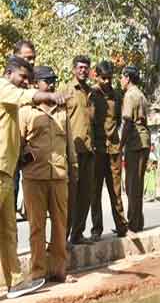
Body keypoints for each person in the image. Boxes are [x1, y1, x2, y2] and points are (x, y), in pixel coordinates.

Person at [1, 56, 66, 299]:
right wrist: (50, 96)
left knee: (8, 231)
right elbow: (25, 96)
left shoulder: (12, 98)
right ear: (9, 73)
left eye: (29, 78)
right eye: (23, 77)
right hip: (2, 170)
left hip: (7, 171)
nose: (25, 82)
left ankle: (15, 283)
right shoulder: (4, 88)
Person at [19, 66, 76, 284]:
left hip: (59, 176)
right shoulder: (26, 111)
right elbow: (18, 143)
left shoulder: (62, 111)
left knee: (61, 225)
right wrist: (25, 158)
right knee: (37, 227)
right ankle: (38, 272)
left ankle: (59, 270)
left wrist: (74, 168)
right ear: (36, 84)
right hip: (34, 177)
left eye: (53, 80)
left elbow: (69, 143)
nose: (51, 84)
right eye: (46, 81)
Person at [61, 55, 96, 245]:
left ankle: (78, 234)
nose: (83, 70)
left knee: (85, 195)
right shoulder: (66, 90)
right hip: (72, 152)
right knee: (69, 198)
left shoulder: (90, 92)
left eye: (86, 67)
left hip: (89, 151)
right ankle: (62, 238)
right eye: (80, 67)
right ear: (74, 69)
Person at [90, 61, 127, 240]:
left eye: (109, 78)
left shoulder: (117, 96)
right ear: (96, 76)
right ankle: (96, 229)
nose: (106, 81)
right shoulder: (91, 95)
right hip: (96, 150)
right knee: (95, 191)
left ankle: (121, 226)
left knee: (116, 190)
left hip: (113, 149)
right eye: (103, 78)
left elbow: (118, 120)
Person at [120, 66, 150, 233]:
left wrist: (120, 145)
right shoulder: (141, 94)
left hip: (135, 143)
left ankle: (133, 223)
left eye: (122, 77)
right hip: (143, 141)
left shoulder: (130, 95)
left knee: (132, 185)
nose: (120, 80)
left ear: (127, 78)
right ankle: (137, 222)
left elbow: (127, 122)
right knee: (136, 184)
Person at [12, 41, 36, 216]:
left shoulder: (33, 82)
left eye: (33, 58)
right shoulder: (6, 84)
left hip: (28, 150)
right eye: (28, 58)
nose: (32, 62)